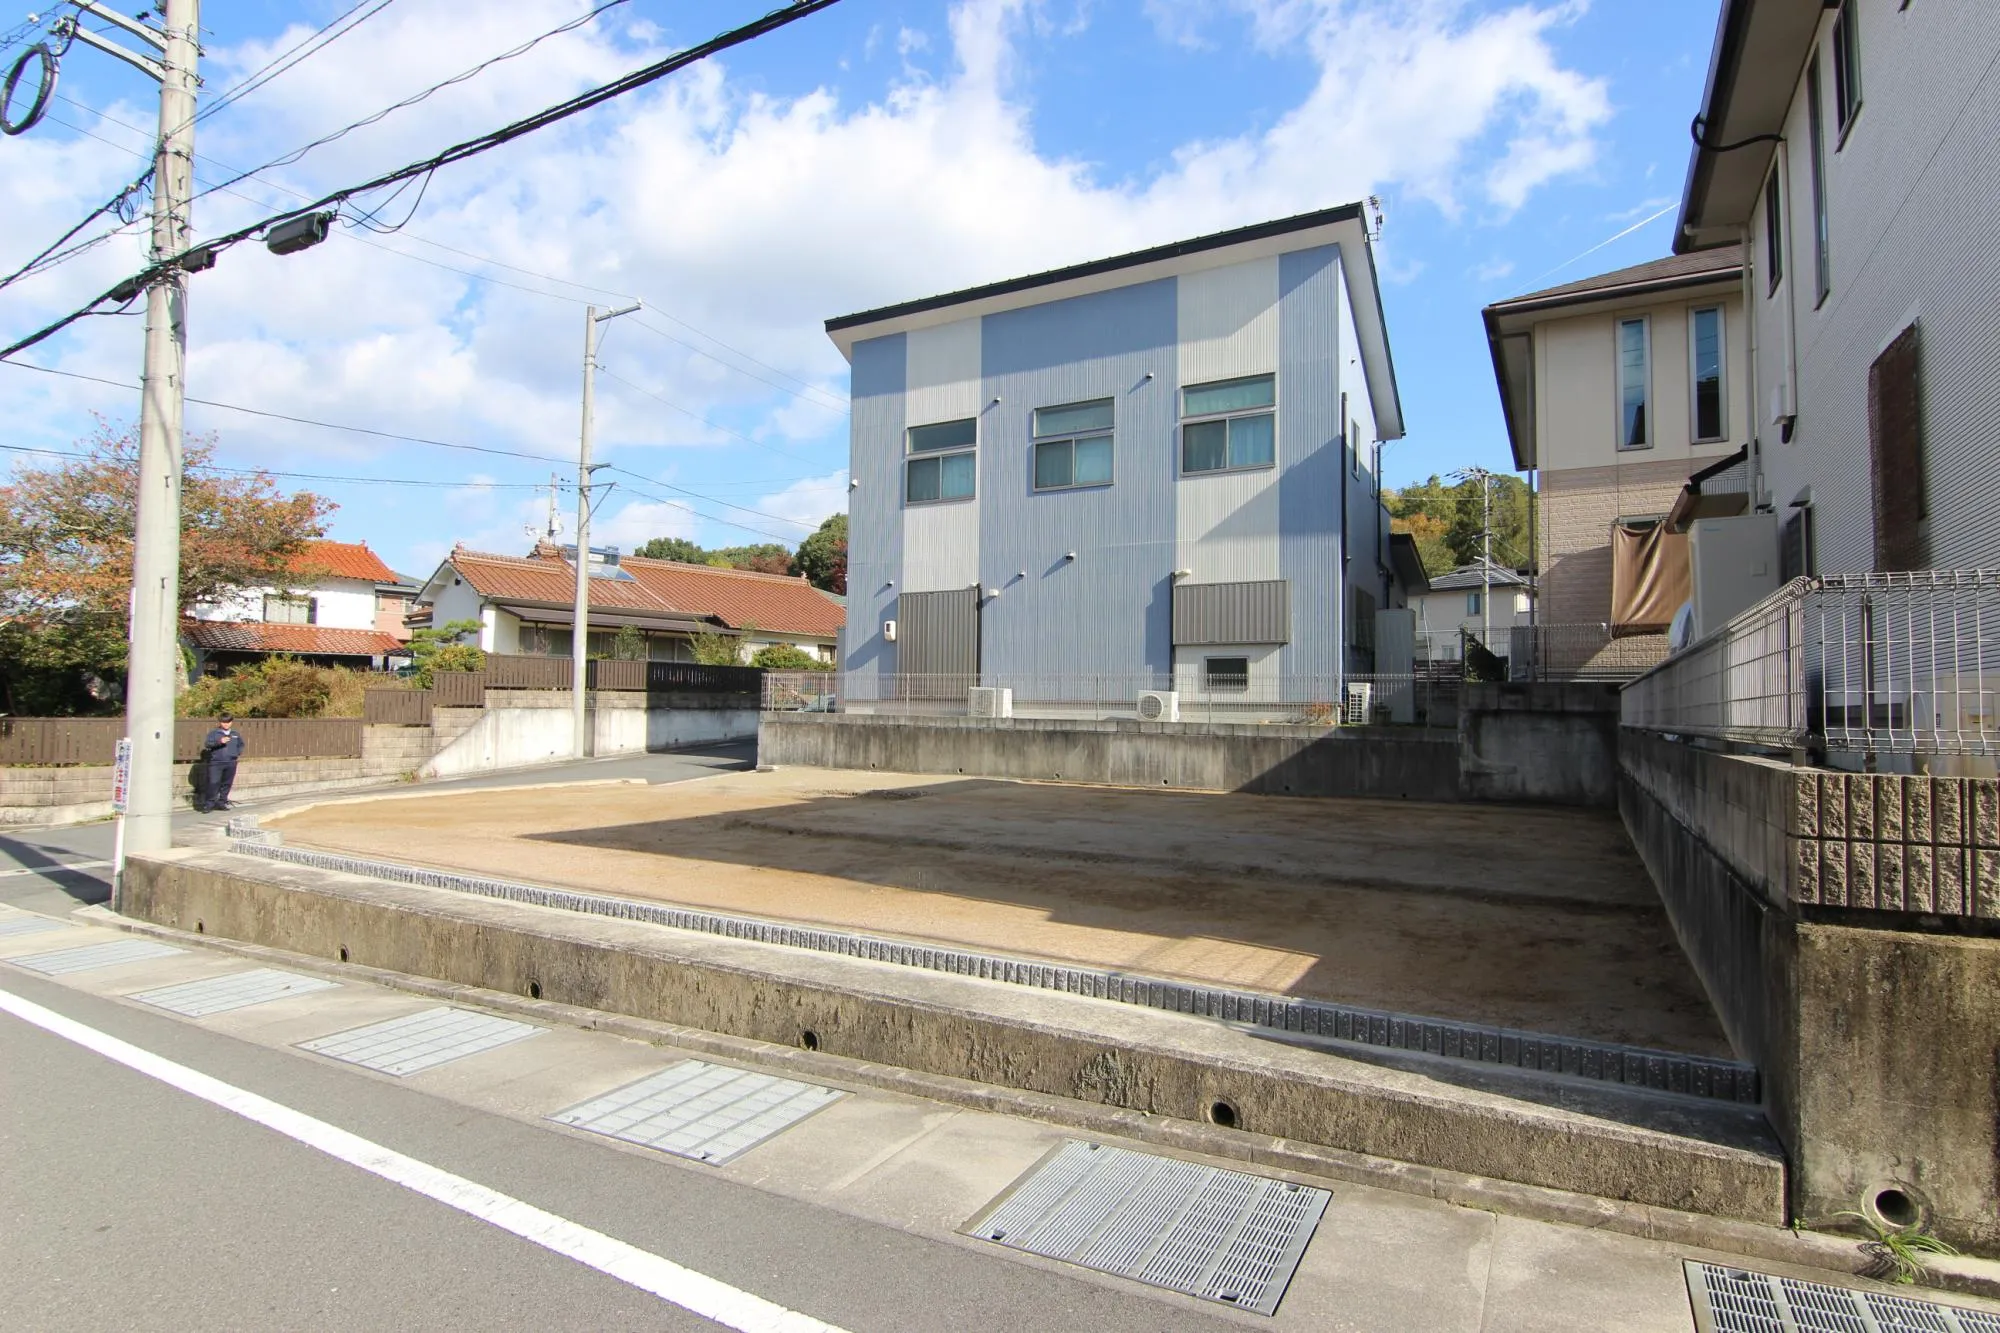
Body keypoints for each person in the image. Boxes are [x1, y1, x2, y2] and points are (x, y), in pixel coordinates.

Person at [195, 713, 244, 812]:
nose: (226, 724)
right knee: (213, 783)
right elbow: (207, 744)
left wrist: (236, 753)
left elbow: (241, 745)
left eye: (228, 722)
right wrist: (219, 741)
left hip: (231, 762)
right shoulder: (214, 733)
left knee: (227, 784)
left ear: (231, 722)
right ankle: (209, 804)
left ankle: (222, 803)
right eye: (224, 722)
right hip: (216, 762)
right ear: (220, 722)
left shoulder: (235, 734)